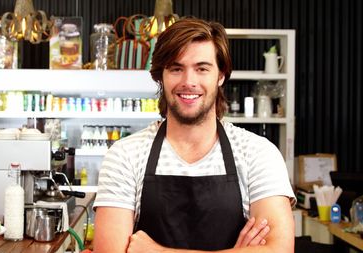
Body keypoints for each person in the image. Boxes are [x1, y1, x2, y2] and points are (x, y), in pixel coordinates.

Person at [92, 18, 296, 253]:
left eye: (202, 69)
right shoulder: (125, 155)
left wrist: (158, 252)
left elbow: (280, 250)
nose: (189, 82)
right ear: (161, 76)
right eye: (176, 68)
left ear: (221, 75)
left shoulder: (258, 153)